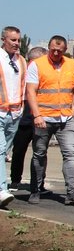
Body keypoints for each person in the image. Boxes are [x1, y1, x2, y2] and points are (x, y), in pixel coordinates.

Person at [25, 35, 74, 206]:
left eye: (59, 50)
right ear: (48, 47)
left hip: (65, 117)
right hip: (43, 118)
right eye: (53, 49)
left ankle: (72, 192)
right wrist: (37, 115)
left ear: (65, 50)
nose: (55, 52)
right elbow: (30, 91)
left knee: (69, 154)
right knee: (39, 154)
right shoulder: (37, 65)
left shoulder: (72, 65)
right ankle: (36, 189)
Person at [9, 47, 48, 194]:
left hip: (41, 115)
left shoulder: (44, 74)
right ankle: (15, 180)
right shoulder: (21, 74)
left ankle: (39, 183)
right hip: (24, 116)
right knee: (19, 149)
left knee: (40, 152)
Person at [0, 26, 27, 209]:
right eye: (13, 40)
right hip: (0, 112)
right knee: (0, 150)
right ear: (4, 39)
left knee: (5, 151)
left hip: (15, 114)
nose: (17, 44)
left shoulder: (22, 61)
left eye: (18, 40)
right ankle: (2, 190)